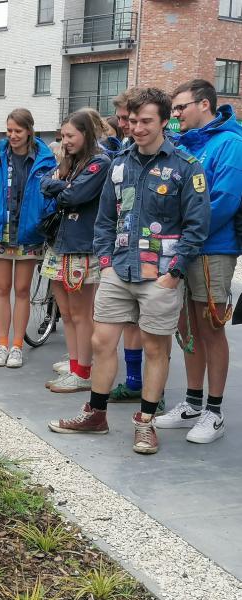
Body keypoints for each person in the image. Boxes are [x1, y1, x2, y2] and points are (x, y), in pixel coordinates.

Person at [48, 88, 210, 455]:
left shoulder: (186, 167)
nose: (137, 128)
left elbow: (197, 226)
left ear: (164, 121)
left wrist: (174, 273)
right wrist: (105, 264)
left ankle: (146, 423)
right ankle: (96, 414)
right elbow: (105, 218)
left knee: (155, 349)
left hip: (161, 274)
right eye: (132, 121)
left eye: (146, 121)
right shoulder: (119, 163)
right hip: (118, 271)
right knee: (101, 343)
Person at [154, 79, 242, 443]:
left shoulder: (231, 144)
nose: (174, 116)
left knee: (210, 328)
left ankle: (215, 411)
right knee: (187, 329)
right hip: (185, 249)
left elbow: (225, 199)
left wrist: (188, 234)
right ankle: (192, 402)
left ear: (204, 104)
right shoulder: (187, 144)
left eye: (180, 108)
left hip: (213, 250)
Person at [0, 108, 57, 368]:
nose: (12, 135)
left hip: (28, 232)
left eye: (18, 131)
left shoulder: (45, 158)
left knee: (22, 290)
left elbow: (52, 190)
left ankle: (17, 345)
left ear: (29, 130)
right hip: (0, 230)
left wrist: (42, 213)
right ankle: (1, 343)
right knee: (1, 288)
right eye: (9, 130)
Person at [40, 110, 110, 391]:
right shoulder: (72, 161)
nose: (65, 141)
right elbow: (44, 183)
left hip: (81, 245)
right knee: (66, 312)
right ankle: (75, 362)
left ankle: (82, 371)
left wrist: (63, 186)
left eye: (70, 136)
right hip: (61, 242)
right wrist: (63, 184)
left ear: (86, 134)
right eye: (63, 136)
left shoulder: (99, 162)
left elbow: (74, 195)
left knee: (80, 313)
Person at [106, 89, 150, 405]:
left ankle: (148, 389)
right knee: (128, 322)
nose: (124, 125)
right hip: (122, 248)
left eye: (129, 119)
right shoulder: (123, 149)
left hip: (151, 250)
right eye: (122, 119)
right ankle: (134, 381)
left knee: (151, 328)